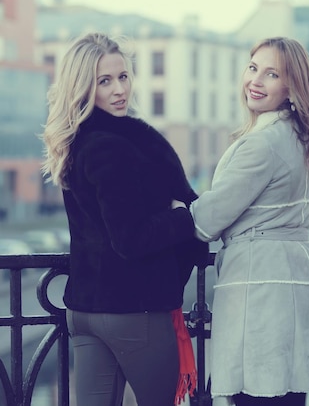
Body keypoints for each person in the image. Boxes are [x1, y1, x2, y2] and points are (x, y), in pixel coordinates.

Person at [41, 32, 206, 406]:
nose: (119, 90)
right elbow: (130, 239)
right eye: (104, 81)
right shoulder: (119, 145)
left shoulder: (75, 142)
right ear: (83, 87)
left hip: (83, 309)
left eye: (123, 77)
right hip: (136, 310)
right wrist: (185, 217)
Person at [190, 37, 309, 406]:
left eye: (271, 74)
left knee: (255, 393)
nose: (255, 81)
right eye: (253, 68)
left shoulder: (261, 144)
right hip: (295, 277)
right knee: (287, 396)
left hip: (259, 286)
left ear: (291, 87)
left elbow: (205, 224)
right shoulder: (302, 138)